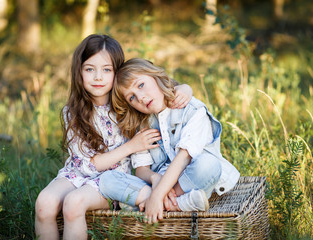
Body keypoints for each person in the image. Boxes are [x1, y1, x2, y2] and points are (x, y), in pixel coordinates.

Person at [34, 35, 193, 240]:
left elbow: (161, 91)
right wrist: (131, 147)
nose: (98, 77)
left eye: (107, 70)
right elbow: (87, 165)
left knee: (73, 204)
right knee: (43, 203)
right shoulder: (72, 112)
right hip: (78, 173)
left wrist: (184, 88)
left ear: (118, 72)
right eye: (90, 69)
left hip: (114, 180)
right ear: (78, 71)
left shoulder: (129, 102)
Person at [99, 58, 240, 224]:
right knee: (107, 179)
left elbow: (183, 159)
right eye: (132, 98)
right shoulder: (142, 124)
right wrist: (155, 179)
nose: (141, 98)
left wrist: (157, 195)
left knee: (210, 165)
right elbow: (141, 170)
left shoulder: (192, 109)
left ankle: (153, 202)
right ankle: (178, 204)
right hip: (159, 182)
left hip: (191, 179)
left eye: (141, 85)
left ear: (154, 76)